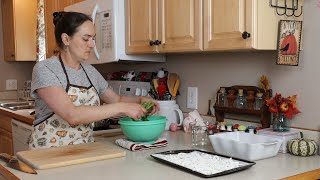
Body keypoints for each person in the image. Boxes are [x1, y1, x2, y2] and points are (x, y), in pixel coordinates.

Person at [29, 11, 159, 149]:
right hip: (47, 155)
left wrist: (140, 101)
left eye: (93, 39)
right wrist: (122, 108)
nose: (92, 45)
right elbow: (71, 114)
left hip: (84, 151)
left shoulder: (90, 71)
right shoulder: (45, 69)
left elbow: (117, 100)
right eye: (86, 39)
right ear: (66, 39)